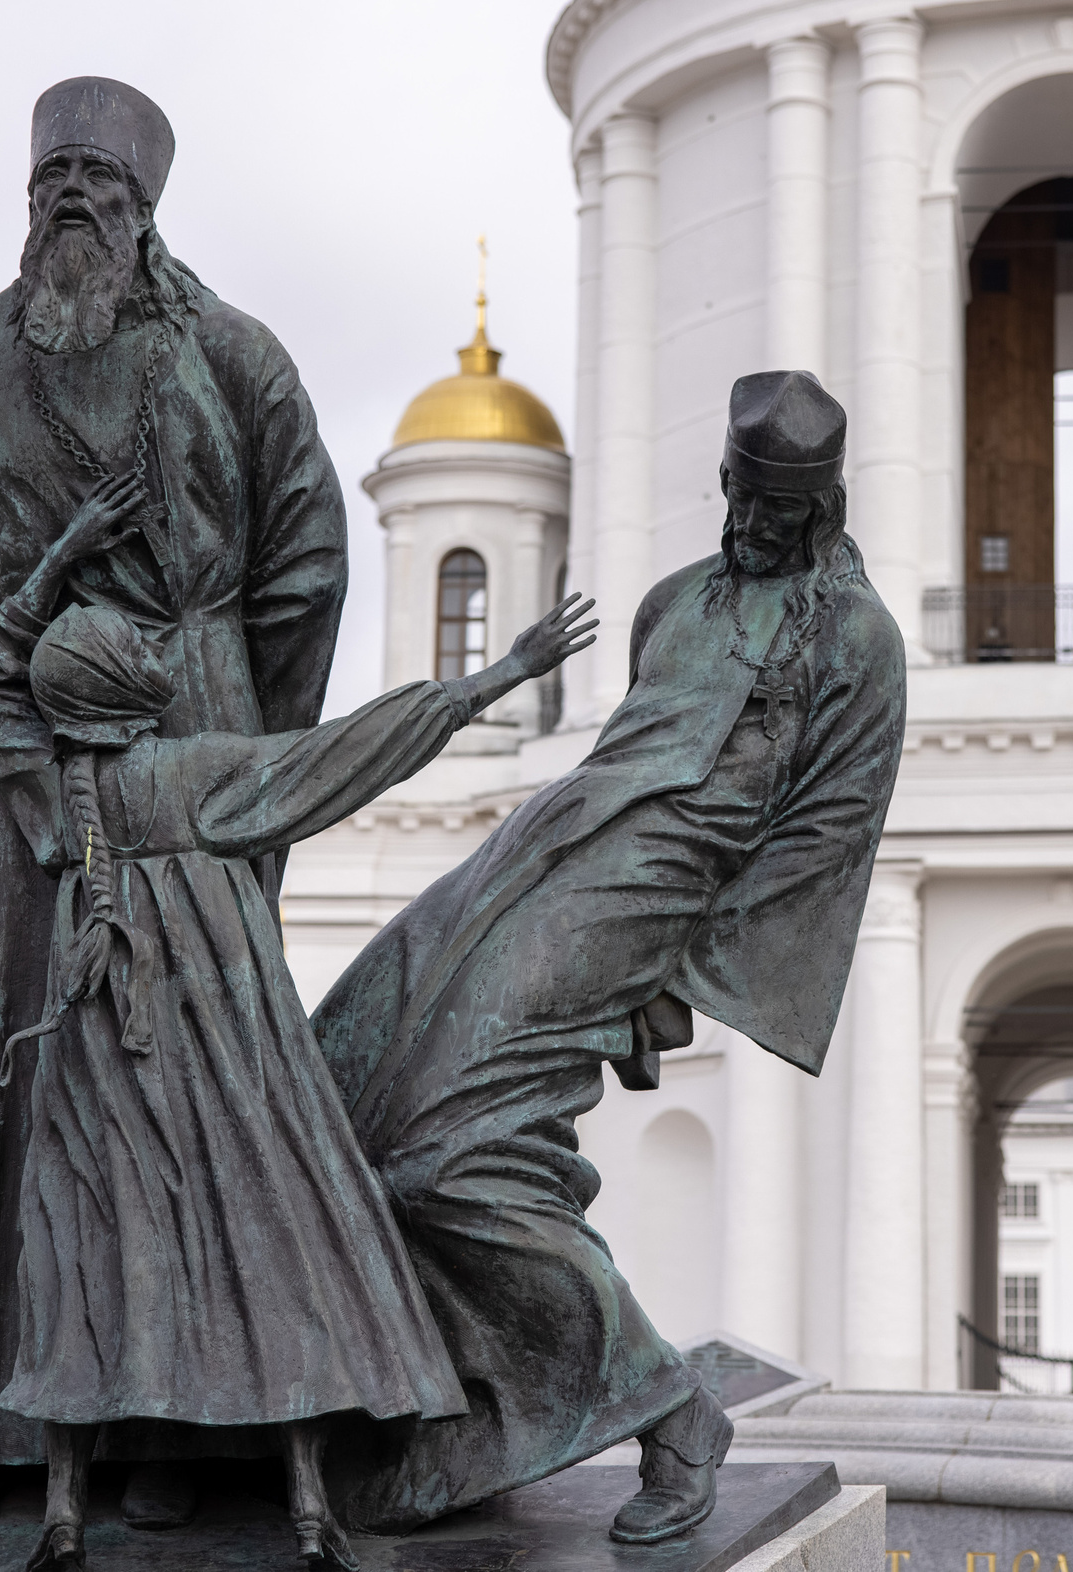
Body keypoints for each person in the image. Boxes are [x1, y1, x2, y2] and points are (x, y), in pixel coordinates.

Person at [0, 78, 351, 1539]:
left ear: (145, 207)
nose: (73, 195)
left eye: (100, 176)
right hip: (18, 767)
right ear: (28, 201)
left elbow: (308, 569)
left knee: (195, 1094)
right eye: (52, 174)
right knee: (5, 1094)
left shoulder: (233, 357)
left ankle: (180, 1433)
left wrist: (246, 776)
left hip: (194, 751)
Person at [0, 473, 595, 1571]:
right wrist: (504, 673)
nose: (156, 648)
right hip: (225, 1067)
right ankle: (310, 1509)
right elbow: (358, 748)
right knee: (287, 1242)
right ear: (126, 683)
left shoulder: (50, 790)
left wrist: (60, 555)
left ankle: (63, 1516)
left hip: (99, 1064)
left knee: (82, 1260)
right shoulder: (197, 776)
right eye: (132, 642)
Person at [313, 371, 907, 1545]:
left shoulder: (857, 641)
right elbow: (625, 752)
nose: (745, 522)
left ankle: (671, 1408)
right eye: (737, 493)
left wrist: (683, 979)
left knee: (448, 1163)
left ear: (820, 506)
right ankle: (454, 1397)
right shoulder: (675, 600)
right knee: (336, 1090)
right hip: (534, 855)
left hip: (645, 904)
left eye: (773, 508)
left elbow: (827, 831)